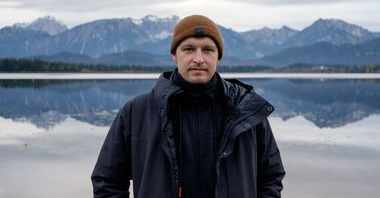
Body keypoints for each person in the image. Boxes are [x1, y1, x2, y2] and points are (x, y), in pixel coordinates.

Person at [91, 15, 285, 198]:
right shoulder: (136, 112)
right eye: (189, 49)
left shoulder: (246, 110)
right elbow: (107, 181)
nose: (198, 59)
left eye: (208, 49)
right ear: (175, 54)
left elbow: (270, 176)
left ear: (218, 57)